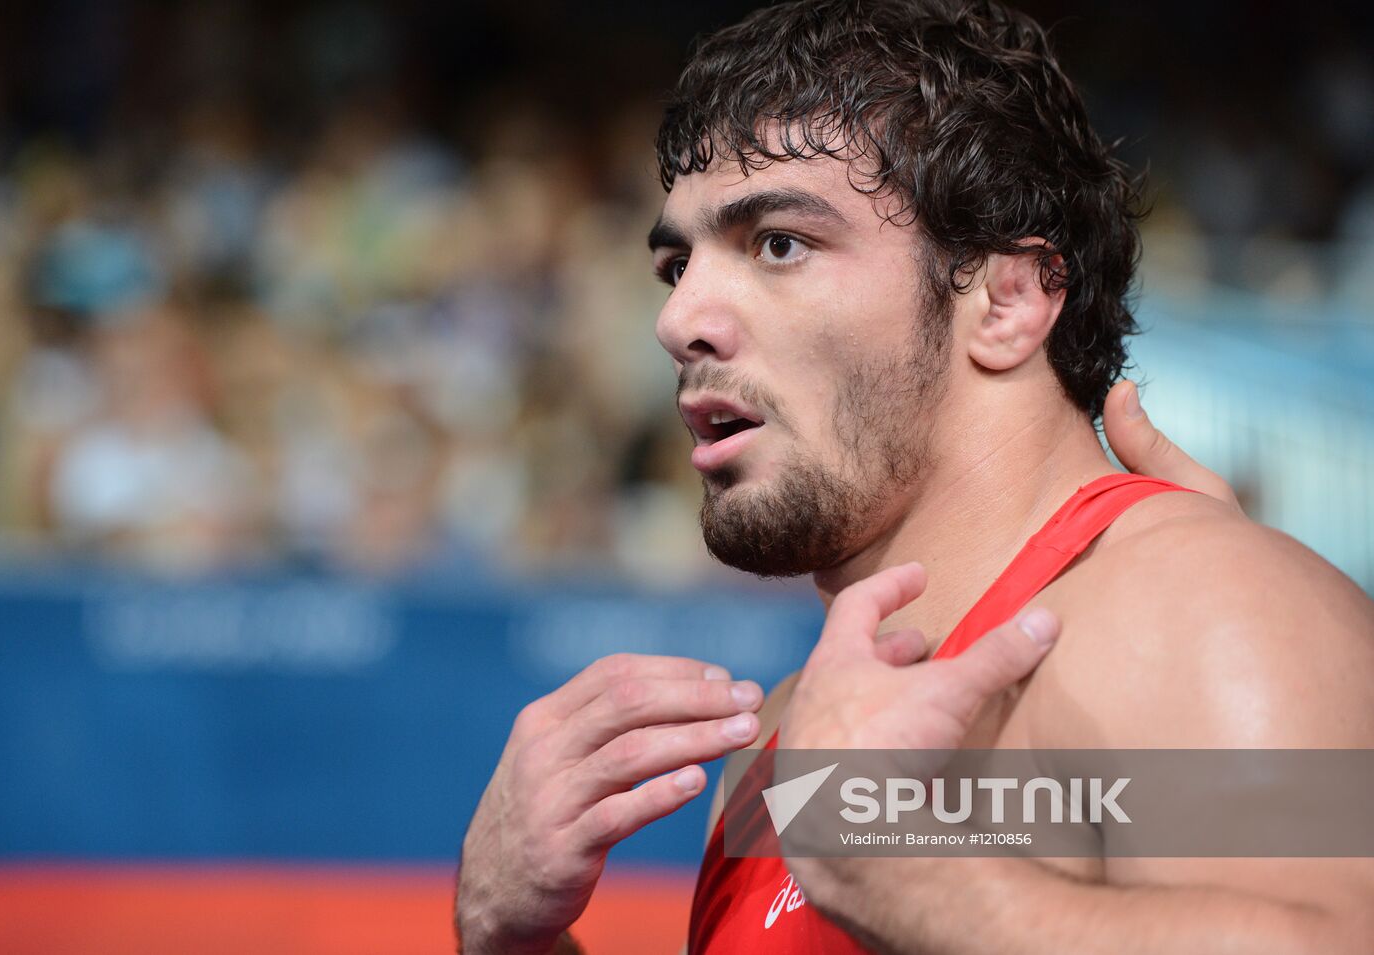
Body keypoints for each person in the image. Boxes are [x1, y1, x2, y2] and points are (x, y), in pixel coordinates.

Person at [454, 2, 1374, 952]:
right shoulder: (785, 751)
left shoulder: (1201, 605)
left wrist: (899, 871)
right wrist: (516, 940)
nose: (679, 317)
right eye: (677, 264)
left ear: (1009, 301)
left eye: (779, 243)